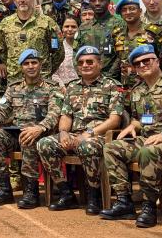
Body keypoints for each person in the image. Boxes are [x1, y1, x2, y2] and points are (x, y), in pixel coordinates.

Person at [101, 44, 162, 227]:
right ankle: (124, 201)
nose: (143, 65)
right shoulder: (138, 90)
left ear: (157, 61)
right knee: (111, 148)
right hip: (146, 138)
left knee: (148, 151)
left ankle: (149, 205)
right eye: (138, 64)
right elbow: (140, 119)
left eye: (147, 61)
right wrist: (132, 126)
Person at [36, 45, 123, 212]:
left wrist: (88, 134)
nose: (85, 65)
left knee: (87, 145)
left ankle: (94, 195)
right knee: (44, 144)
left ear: (100, 63)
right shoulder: (72, 87)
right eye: (81, 62)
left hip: (100, 136)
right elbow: (66, 115)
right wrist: (63, 133)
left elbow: (115, 120)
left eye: (90, 61)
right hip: (74, 134)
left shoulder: (112, 86)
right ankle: (66, 193)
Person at [0, 49, 59, 208]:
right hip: (16, 132)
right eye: (26, 63)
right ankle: (5, 189)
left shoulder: (52, 87)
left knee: (28, 137)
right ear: (21, 67)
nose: (31, 66)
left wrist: (40, 127)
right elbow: (0, 109)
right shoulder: (13, 88)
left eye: (34, 63)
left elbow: (55, 113)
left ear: (40, 65)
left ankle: (31, 192)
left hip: (41, 134)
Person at [0, 0, 60, 84]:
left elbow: (58, 52)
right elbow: (2, 50)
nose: (22, 0)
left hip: (41, 81)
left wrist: (45, 70)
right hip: (15, 80)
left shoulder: (47, 23)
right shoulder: (5, 24)